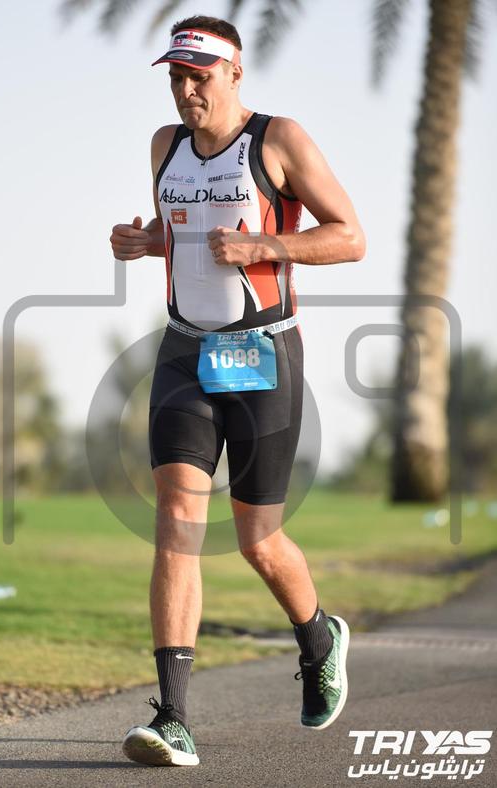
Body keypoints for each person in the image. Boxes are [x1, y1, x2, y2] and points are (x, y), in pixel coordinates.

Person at [110, 15, 366, 767]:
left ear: (234, 74)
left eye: (200, 77)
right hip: (184, 353)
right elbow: (188, 232)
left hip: (262, 354)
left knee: (258, 539)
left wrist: (267, 244)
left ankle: (319, 638)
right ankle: (173, 719)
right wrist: (148, 242)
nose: (186, 91)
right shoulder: (165, 146)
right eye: (176, 77)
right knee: (177, 520)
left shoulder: (278, 140)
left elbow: (350, 236)